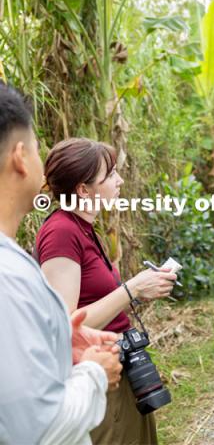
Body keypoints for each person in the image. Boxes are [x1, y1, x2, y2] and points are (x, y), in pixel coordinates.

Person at [0, 83, 122, 445]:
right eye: (38, 148)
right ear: (21, 157)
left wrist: (58, 341)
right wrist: (93, 373)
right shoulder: (9, 274)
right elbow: (35, 428)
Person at [36, 137, 177, 445]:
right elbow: (65, 325)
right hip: (95, 378)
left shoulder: (84, 229)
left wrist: (140, 290)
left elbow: (96, 305)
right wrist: (133, 288)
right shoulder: (62, 232)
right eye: (110, 175)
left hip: (118, 366)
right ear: (83, 190)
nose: (120, 180)